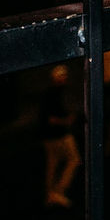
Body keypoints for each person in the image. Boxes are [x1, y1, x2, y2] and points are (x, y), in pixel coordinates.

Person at [40, 67, 81, 209]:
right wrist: (67, 121)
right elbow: (51, 119)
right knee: (73, 159)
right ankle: (59, 190)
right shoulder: (57, 94)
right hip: (60, 134)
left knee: (53, 164)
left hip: (49, 135)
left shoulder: (49, 93)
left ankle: (50, 194)